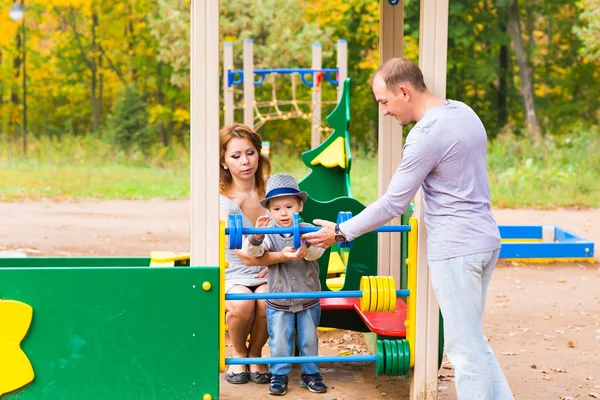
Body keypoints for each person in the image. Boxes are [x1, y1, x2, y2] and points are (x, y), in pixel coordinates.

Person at [302, 58, 514, 400]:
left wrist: (340, 233)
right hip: (485, 242)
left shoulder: (425, 136)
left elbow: (392, 204)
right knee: (473, 341)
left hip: (456, 250)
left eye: (384, 102)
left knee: (464, 352)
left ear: (404, 91)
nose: (384, 112)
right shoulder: (464, 113)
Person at [220, 124, 308, 385]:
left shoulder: (274, 190)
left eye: (250, 153)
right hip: (236, 270)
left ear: (259, 154)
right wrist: (283, 258)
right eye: (235, 156)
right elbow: (246, 256)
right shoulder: (221, 201)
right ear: (224, 162)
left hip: (272, 267)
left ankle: (256, 354)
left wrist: (276, 265)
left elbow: (294, 228)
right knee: (242, 304)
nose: (245, 162)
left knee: (265, 302)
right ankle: (238, 353)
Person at [242, 174, 327, 396]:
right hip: (279, 297)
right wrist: (257, 235)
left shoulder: (308, 229)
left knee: (309, 338)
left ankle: (310, 373)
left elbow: (317, 253)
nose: (283, 213)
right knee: (279, 338)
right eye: (277, 209)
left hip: (307, 295)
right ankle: (279, 374)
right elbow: (256, 253)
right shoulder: (269, 232)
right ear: (269, 211)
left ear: (300, 205)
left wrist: (307, 248)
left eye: (289, 206)